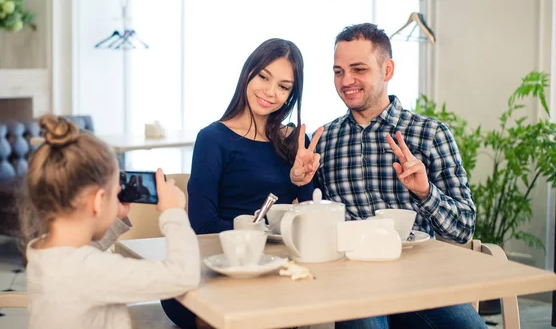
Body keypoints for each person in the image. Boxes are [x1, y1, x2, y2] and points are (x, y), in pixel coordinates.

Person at [302, 23, 484, 329]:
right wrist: (300, 181)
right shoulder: (325, 140)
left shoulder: (431, 135)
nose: (346, 81)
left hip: (422, 279)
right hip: (353, 280)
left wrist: (426, 192)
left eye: (358, 69)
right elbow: (313, 219)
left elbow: (462, 229)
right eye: (338, 71)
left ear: (387, 70)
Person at [161, 38, 323, 328]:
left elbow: (308, 225)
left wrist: (301, 181)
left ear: (291, 95)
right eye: (264, 76)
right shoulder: (213, 138)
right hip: (215, 268)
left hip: (275, 269)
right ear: (249, 72)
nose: (270, 92)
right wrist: (266, 232)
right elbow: (203, 226)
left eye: (284, 86)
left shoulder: (295, 142)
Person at [22, 115, 200, 329]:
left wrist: (114, 217)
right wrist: (174, 212)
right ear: (98, 201)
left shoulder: (43, 251)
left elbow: (84, 252)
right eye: (116, 189)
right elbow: (183, 276)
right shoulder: (91, 271)